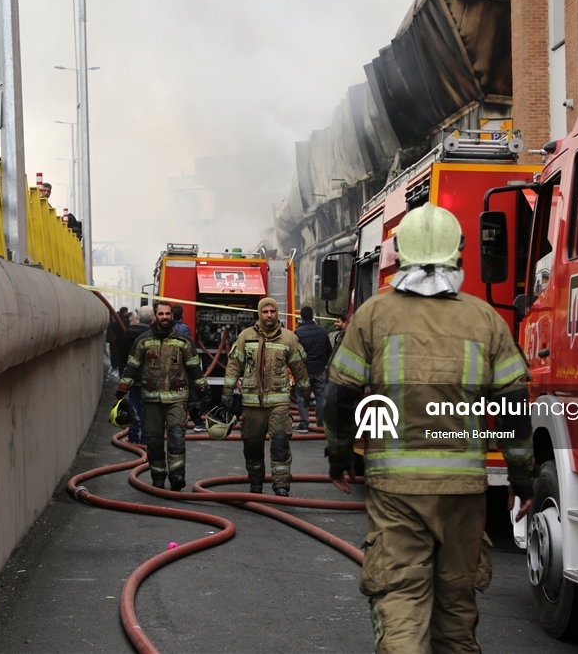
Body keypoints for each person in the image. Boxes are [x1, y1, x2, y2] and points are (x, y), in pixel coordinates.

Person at [322, 203, 535, 654]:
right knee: (456, 610)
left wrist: (339, 458)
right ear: (459, 253)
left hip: (396, 490)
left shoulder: (373, 316)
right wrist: (521, 479)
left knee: (401, 597)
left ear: (399, 252)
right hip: (464, 490)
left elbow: (339, 398)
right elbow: (514, 408)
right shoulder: (486, 320)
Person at [116, 301, 209, 490]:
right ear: (155, 316)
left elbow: (194, 368)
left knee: (176, 438)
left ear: (172, 316)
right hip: (151, 401)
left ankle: (177, 476)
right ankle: (158, 477)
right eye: (161, 314)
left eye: (167, 314)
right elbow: (131, 367)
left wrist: (203, 392)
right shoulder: (143, 341)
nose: (165, 317)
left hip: (177, 399)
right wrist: (121, 392)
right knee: (154, 441)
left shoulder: (183, 341)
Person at [222, 297, 310, 496]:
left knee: (280, 444)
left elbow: (299, 368)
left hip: (279, 403)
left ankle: (281, 485)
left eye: (272, 311)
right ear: (259, 313)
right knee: (252, 446)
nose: (269, 315)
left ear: (277, 313)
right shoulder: (246, 336)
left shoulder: (289, 338)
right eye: (265, 312)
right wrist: (227, 392)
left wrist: (305, 392)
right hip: (251, 404)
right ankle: (255, 481)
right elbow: (234, 365)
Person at [292, 306, 332, 433]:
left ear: (301, 317)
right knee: (321, 396)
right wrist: (323, 364)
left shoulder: (298, 333)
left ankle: (304, 423)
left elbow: (294, 353)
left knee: (302, 397)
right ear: (313, 316)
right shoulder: (323, 332)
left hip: (303, 371)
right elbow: (329, 351)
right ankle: (321, 422)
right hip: (319, 370)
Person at [120, 306, 153, 445]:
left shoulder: (128, 332)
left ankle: (133, 436)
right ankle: (144, 438)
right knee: (147, 409)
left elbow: (123, 353)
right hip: (148, 378)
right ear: (151, 319)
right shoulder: (152, 334)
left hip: (133, 377)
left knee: (133, 406)